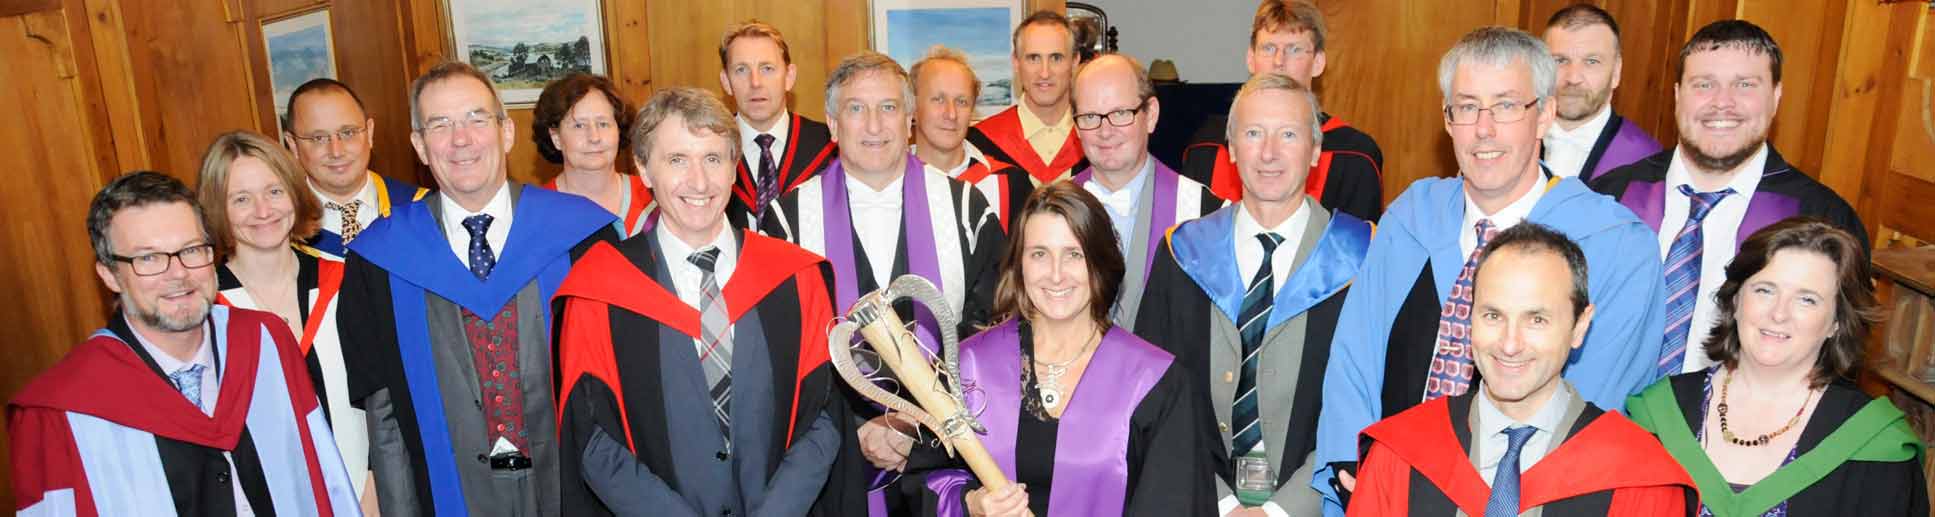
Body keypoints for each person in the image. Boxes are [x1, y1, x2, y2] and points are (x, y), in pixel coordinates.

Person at [1312, 27, 1667, 514]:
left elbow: (1602, 395)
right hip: (1394, 487)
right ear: (1447, 119)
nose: (1484, 129)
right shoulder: (1411, 218)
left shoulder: (1615, 244)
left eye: (1505, 106)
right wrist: (1353, 457)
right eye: (1466, 107)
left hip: (1529, 497)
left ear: (1544, 113)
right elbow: (1355, 353)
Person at [553, 86, 868, 516]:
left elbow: (825, 417)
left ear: (735, 168)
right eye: (677, 160)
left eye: (713, 159)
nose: (698, 182)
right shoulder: (599, 290)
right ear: (643, 169)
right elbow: (590, 438)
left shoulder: (796, 278)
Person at [336, 61, 618, 516]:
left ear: (506, 132)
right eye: (440, 125)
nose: (460, 139)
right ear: (420, 146)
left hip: (578, 493)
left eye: (476, 119)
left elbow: (617, 398)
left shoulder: (586, 236)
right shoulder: (378, 260)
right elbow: (384, 421)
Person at [10, 171, 358, 515]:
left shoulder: (266, 343)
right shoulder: (60, 412)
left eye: (191, 250)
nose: (178, 273)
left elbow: (326, 480)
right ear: (109, 275)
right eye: (148, 258)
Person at [761, 53, 1006, 516]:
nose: (874, 124)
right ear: (832, 124)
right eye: (856, 109)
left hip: (945, 458)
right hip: (833, 459)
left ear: (911, 121)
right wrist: (857, 427)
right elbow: (779, 356)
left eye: (889, 108)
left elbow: (992, 336)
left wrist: (910, 424)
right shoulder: (786, 221)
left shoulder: (966, 211)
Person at [901, 181, 1218, 516]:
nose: (1055, 275)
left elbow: (1176, 504)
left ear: (1100, 263)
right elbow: (923, 481)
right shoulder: (969, 368)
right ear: (1019, 265)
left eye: (1074, 255)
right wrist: (969, 504)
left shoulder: (1156, 384)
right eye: (1039, 254)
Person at [1136, 73, 1372, 517]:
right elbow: (1154, 396)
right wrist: (1223, 503)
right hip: (1198, 501)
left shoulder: (1361, 257)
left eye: (1288, 134)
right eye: (1252, 133)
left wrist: (1282, 510)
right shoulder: (1181, 254)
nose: (1268, 153)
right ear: (1230, 150)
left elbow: (1366, 404)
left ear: (1316, 149)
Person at [1349, 223, 1695, 516]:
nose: (1510, 344)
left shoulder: (1640, 477)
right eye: (1493, 315)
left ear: (1579, 326)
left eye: (1537, 320)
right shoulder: (1401, 454)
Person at [1589, 20, 1869, 377]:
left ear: (1776, 97)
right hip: (1605, 418)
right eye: (1704, 84)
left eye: (1745, 85)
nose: (1722, 103)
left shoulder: (1825, 220)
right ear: (1677, 95)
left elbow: (1837, 361)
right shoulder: (1608, 197)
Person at [1627, 218, 1926, 516]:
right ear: (1735, 300)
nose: (1779, 314)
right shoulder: (1658, 415)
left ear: (1837, 322)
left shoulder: (1876, 445)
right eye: (1765, 291)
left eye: (1807, 300)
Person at [198, 131, 378, 509]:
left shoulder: (348, 282)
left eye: (274, 191)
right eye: (241, 199)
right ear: (217, 209)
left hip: (366, 494)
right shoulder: (206, 311)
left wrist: (377, 486)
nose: (263, 211)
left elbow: (384, 398)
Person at [1179, 0, 1383, 222]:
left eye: (1294, 49)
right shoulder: (1206, 147)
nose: (1279, 62)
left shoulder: (1354, 157)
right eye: (1268, 48)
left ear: (1318, 62)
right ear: (1250, 58)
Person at [1067, 53, 1224, 331]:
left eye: (1120, 114)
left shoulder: (1205, 214)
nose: (1105, 131)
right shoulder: (1048, 212)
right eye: (1090, 116)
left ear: (1150, 115)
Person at [281, 78, 426, 257]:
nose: (336, 151)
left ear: (370, 133)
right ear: (293, 145)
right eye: (318, 138)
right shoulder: (279, 224)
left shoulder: (421, 209)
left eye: (348, 133)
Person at [719, 20, 837, 228]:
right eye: (741, 70)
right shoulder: (710, 149)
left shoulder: (829, 147)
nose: (755, 83)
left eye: (767, 68)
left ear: (789, 77)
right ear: (726, 82)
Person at [912, 45, 1037, 231]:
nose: (951, 114)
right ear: (912, 107)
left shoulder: (1012, 185)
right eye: (938, 99)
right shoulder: (890, 183)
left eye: (962, 102)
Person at [1539, 4, 1662, 182]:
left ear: (1616, 72)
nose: (1573, 78)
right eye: (1560, 60)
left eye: (1591, 61)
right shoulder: (1509, 141)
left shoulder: (1647, 161)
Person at [966, 10, 1089, 183]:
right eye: (1033, 58)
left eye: (1056, 58)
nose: (1045, 73)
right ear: (1016, 62)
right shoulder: (978, 144)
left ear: (1075, 61)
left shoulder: (1097, 139)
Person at [533, 73, 655, 238]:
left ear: (619, 130)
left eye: (603, 124)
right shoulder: (536, 212)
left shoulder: (654, 196)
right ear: (556, 138)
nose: (594, 137)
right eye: (579, 126)